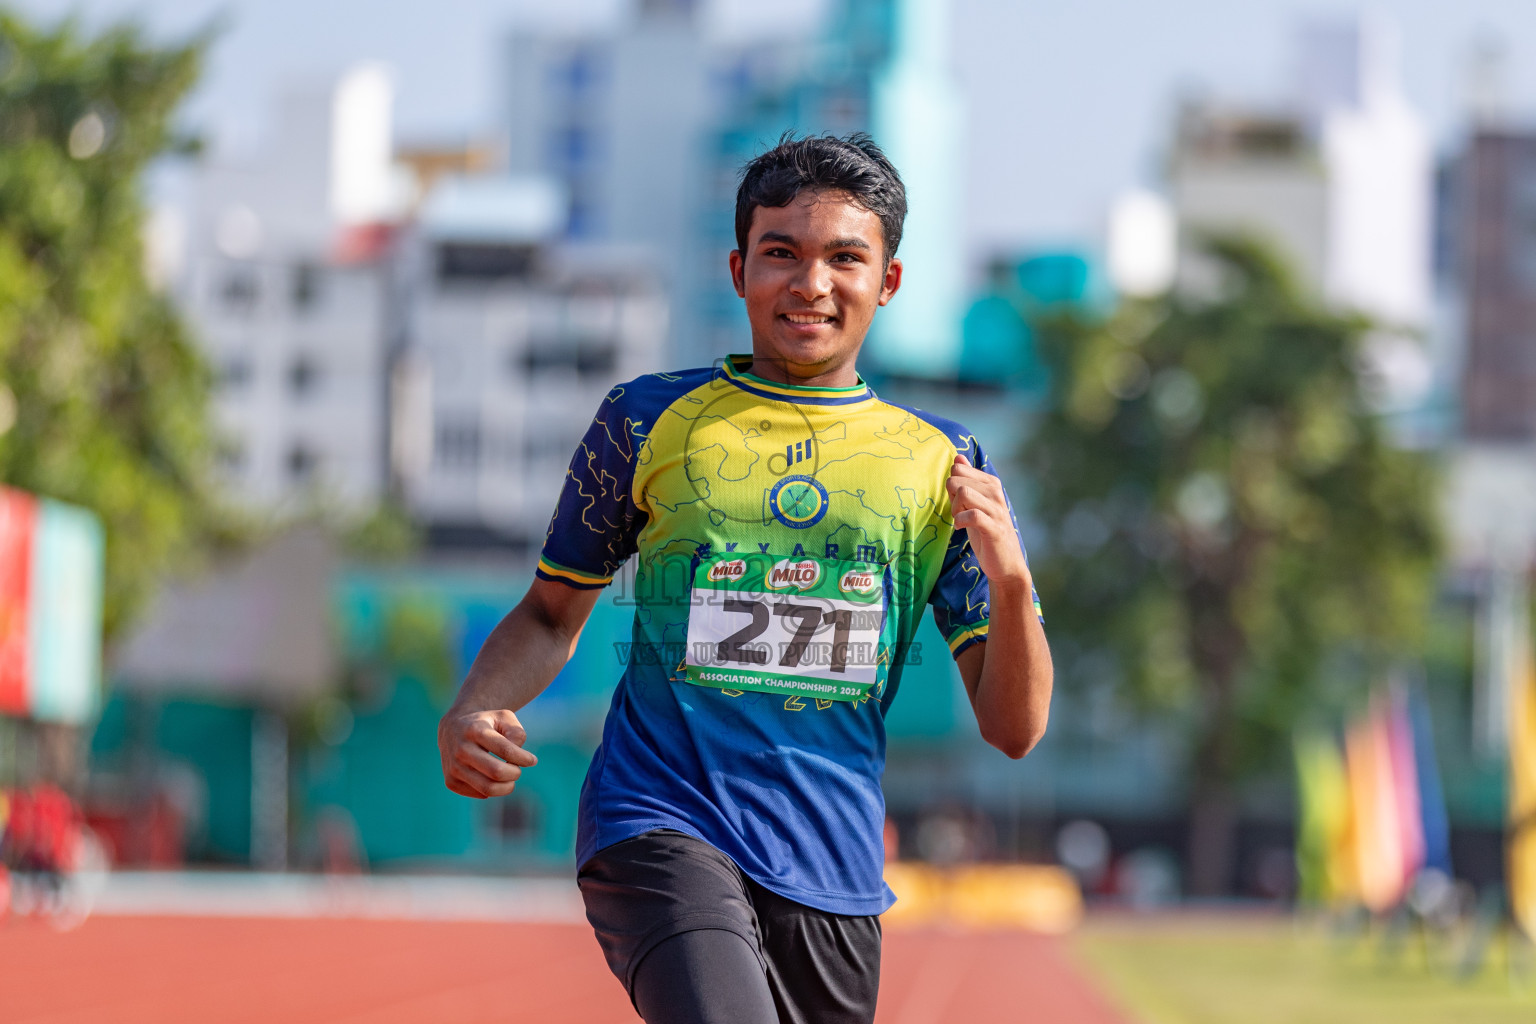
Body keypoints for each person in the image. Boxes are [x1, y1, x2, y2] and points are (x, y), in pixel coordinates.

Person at [437, 133, 1053, 1024]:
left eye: (846, 258)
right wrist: (473, 705)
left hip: (831, 870)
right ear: (737, 269)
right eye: (781, 254)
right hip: (660, 820)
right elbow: (548, 612)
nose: (810, 285)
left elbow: (1014, 727)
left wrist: (1009, 580)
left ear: (889, 281)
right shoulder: (647, 419)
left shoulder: (940, 462)